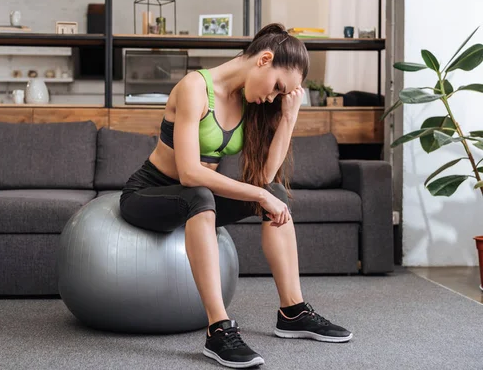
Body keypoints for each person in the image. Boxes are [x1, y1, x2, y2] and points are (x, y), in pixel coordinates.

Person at [119, 23, 352, 369]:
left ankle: (292, 310)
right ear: (264, 60)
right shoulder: (195, 88)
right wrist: (260, 193)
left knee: (272, 193)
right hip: (149, 193)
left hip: (198, 198)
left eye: (280, 94)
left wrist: (289, 117)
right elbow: (189, 173)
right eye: (277, 87)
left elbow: (267, 179)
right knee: (201, 193)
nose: (273, 97)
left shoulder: (249, 101)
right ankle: (218, 329)